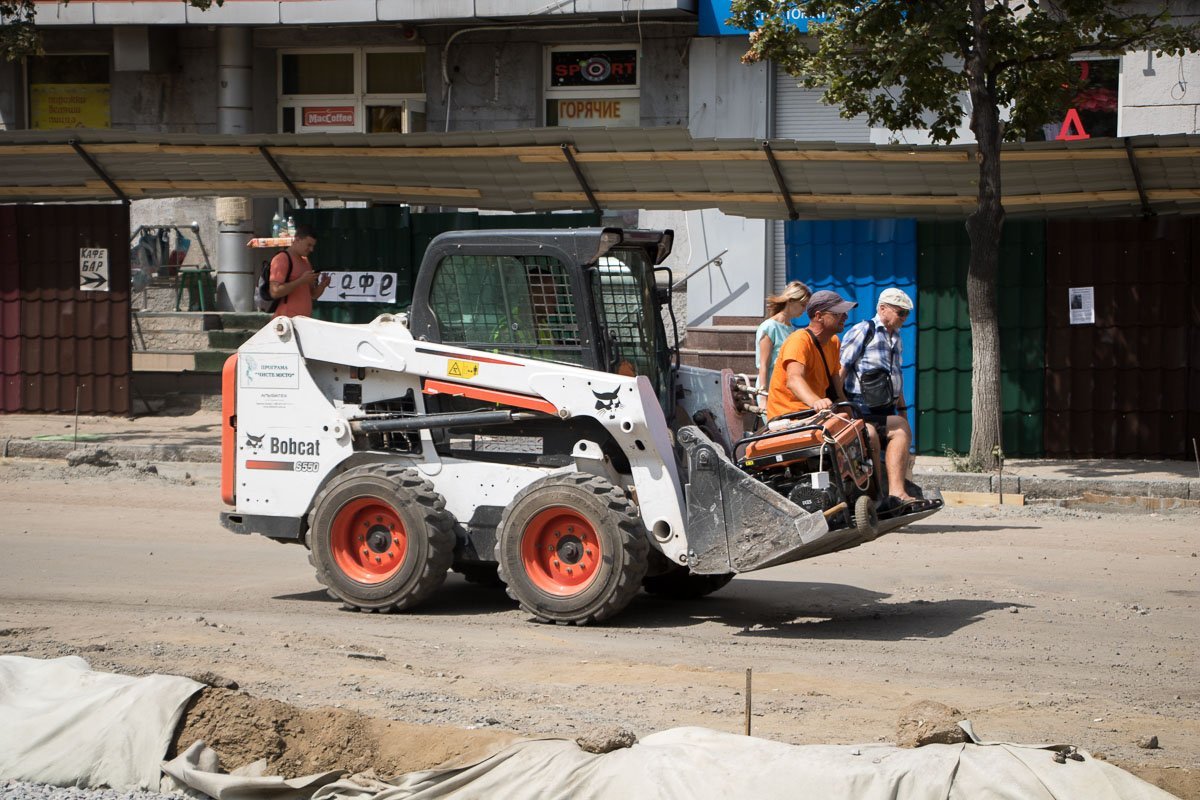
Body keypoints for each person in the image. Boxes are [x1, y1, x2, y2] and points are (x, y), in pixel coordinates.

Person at [839, 287, 917, 507]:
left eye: (906, 314)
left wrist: (902, 409)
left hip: (884, 409)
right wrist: (838, 406)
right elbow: (842, 369)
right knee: (884, 432)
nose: (904, 318)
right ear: (882, 309)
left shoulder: (896, 337)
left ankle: (896, 493)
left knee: (902, 428)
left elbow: (895, 376)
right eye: (900, 313)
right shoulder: (864, 330)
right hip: (860, 409)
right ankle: (881, 495)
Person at [765, 289, 856, 420]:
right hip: (789, 417)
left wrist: (853, 420)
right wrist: (816, 402)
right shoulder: (799, 340)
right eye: (838, 313)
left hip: (814, 415)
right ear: (819, 316)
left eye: (845, 313)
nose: (845, 317)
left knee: (864, 431)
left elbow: (837, 390)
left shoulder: (834, 342)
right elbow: (794, 379)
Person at [755, 280, 811, 393]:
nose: (804, 310)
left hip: (784, 387)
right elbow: (763, 365)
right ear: (790, 301)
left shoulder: (790, 328)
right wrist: (763, 396)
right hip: (771, 387)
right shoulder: (769, 327)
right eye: (802, 305)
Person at [269, 224, 330, 318]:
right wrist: (301, 281)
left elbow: (313, 294)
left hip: (303, 321)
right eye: (308, 245)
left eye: (313, 246)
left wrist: (323, 285)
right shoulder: (282, 259)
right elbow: (274, 292)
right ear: (297, 240)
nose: (311, 249)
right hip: (286, 321)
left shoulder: (305, 261)